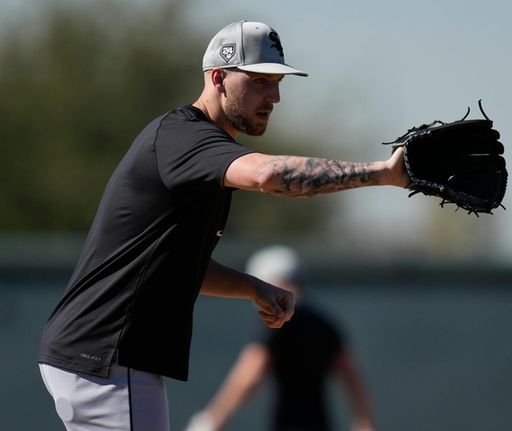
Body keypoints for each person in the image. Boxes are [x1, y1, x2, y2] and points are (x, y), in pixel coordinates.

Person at [37, 20, 407, 431]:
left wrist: (253, 287)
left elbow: (176, 266)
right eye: (261, 81)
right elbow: (268, 175)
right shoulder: (185, 137)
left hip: (98, 355)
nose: (275, 96)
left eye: (277, 82)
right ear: (218, 78)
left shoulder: (199, 152)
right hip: (108, 353)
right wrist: (381, 174)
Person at [185, 246, 375, 431]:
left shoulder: (279, 323)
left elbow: (251, 372)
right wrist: (364, 422)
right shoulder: (325, 322)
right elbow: (351, 376)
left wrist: (214, 417)